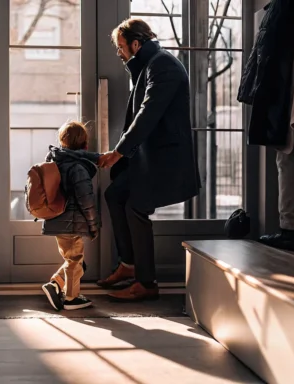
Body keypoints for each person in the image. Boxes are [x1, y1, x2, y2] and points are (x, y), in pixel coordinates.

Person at [97, 19, 200, 302]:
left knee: (135, 207)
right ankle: (129, 265)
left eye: (121, 47)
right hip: (149, 156)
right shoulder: (150, 64)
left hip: (163, 158)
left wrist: (119, 151)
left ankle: (146, 282)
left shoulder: (161, 65)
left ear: (135, 44)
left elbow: (149, 112)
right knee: (115, 194)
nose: (119, 54)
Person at [41, 122, 101, 311]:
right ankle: (71, 298)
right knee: (75, 260)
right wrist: (93, 224)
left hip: (56, 219)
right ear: (85, 144)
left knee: (73, 259)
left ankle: (55, 285)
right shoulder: (78, 168)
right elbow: (86, 200)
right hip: (73, 222)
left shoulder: (54, 162)